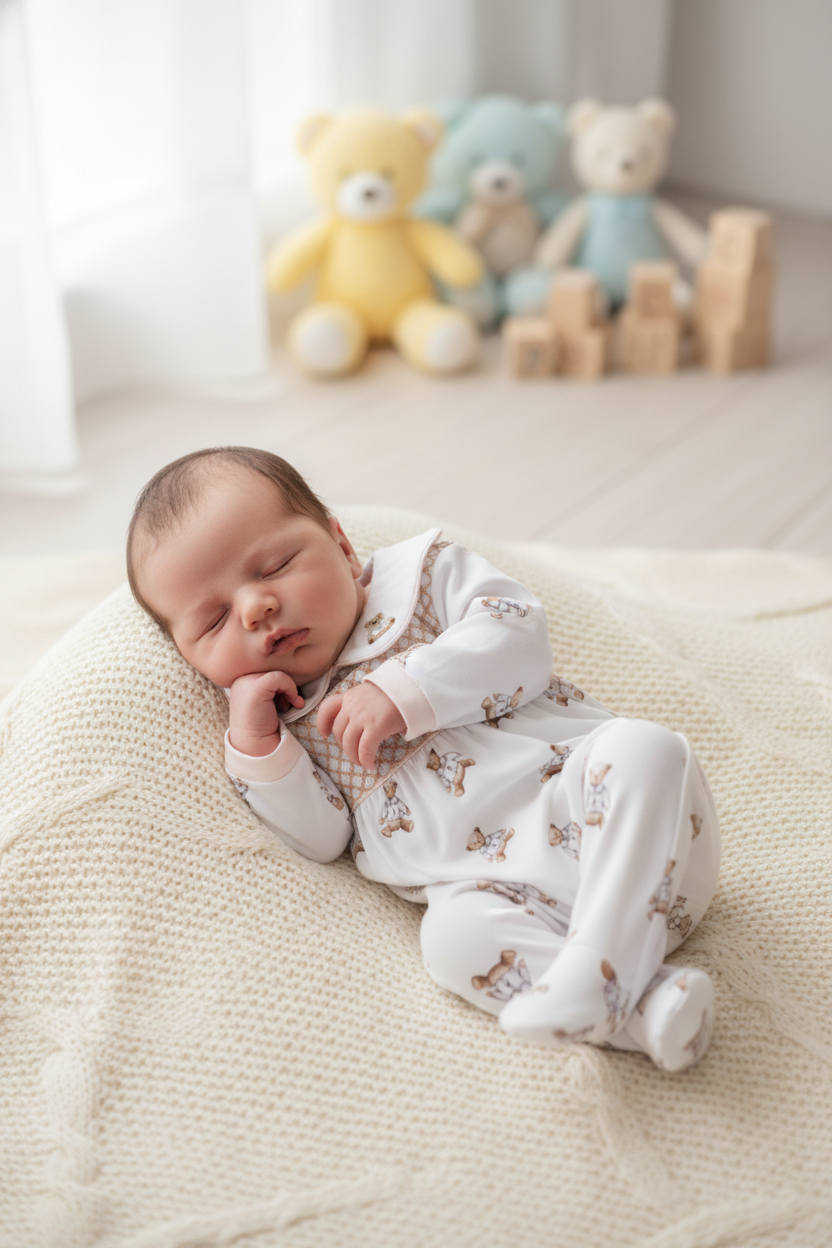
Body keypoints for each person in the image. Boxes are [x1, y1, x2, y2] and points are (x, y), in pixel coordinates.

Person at [128, 446, 721, 1071]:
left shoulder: (422, 583)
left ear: (342, 546)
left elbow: (521, 636)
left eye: (275, 566)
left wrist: (407, 688)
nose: (255, 609)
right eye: (214, 621)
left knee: (645, 749)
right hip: (517, 904)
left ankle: (604, 964)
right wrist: (258, 748)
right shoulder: (280, 723)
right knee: (451, 940)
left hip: (643, 847)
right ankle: (649, 1008)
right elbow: (324, 840)